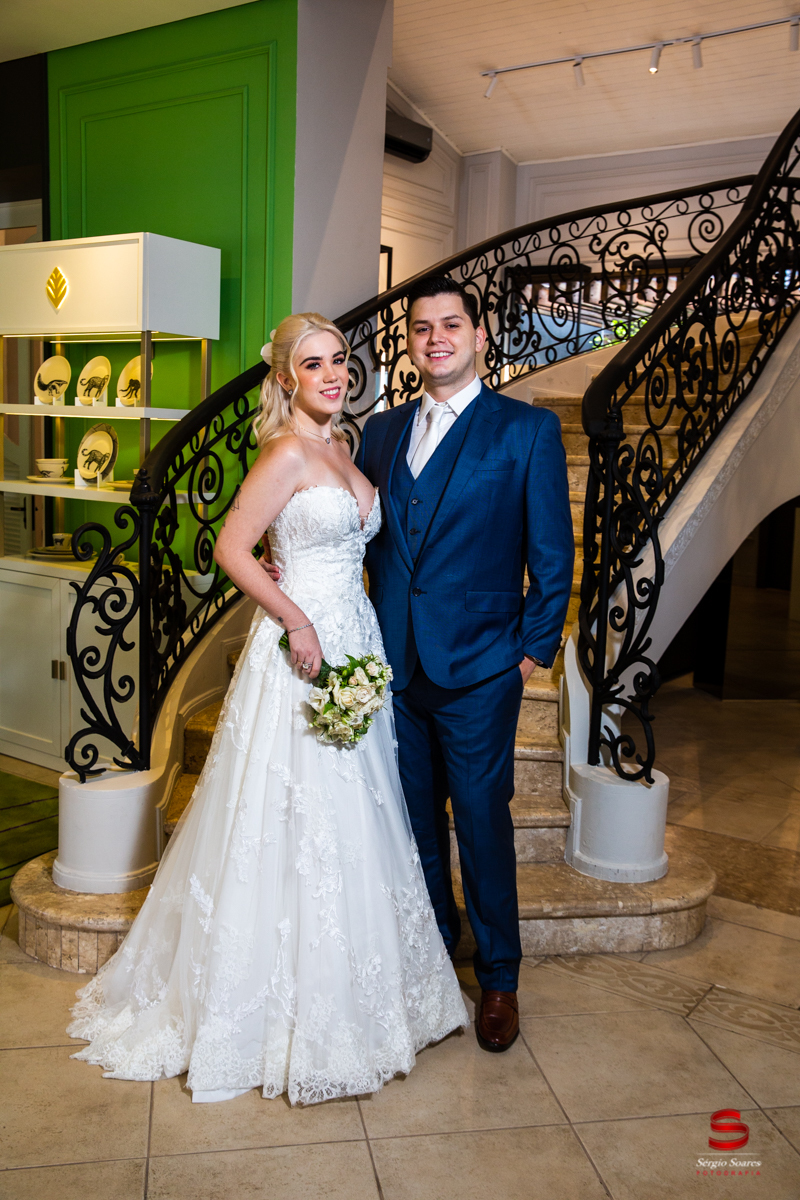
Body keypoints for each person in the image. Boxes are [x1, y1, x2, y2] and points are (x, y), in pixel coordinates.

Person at [67, 312, 468, 1106]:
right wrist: (296, 619)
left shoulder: (345, 448)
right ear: (285, 378)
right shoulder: (284, 451)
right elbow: (230, 547)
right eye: (313, 364)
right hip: (300, 649)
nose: (333, 374)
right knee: (292, 815)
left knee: (356, 814)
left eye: (339, 360)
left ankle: (360, 997)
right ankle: (274, 1011)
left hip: (356, 639)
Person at [355, 276, 574, 1052]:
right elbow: (365, 541)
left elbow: (553, 556)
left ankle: (500, 978)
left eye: (451, 324)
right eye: (422, 328)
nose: (436, 338)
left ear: (479, 337)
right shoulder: (381, 433)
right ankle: (434, 951)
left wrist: (529, 655)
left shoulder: (527, 430)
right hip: (396, 666)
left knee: (480, 822)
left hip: (483, 668)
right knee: (413, 822)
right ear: (411, 344)